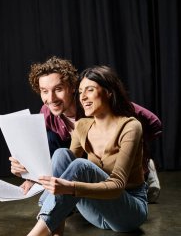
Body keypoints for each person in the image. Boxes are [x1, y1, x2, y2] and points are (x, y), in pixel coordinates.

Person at [0, 65, 148, 236]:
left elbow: (115, 186)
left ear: (108, 92)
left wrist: (71, 188)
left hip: (128, 211)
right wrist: (28, 172)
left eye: (90, 90)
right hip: (97, 211)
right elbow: (62, 169)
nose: (83, 97)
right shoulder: (83, 126)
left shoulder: (130, 126)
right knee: (61, 154)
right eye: (81, 91)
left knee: (82, 167)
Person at [12, 56, 162, 202]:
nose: (51, 99)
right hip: (82, 154)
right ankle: (61, 199)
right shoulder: (46, 112)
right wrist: (28, 170)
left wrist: (136, 150)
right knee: (50, 140)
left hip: (106, 155)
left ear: (72, 87)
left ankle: (147, 168)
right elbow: (38, 150)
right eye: (44, 91)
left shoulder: (93, 103)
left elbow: (153, 122)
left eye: (58, 89)